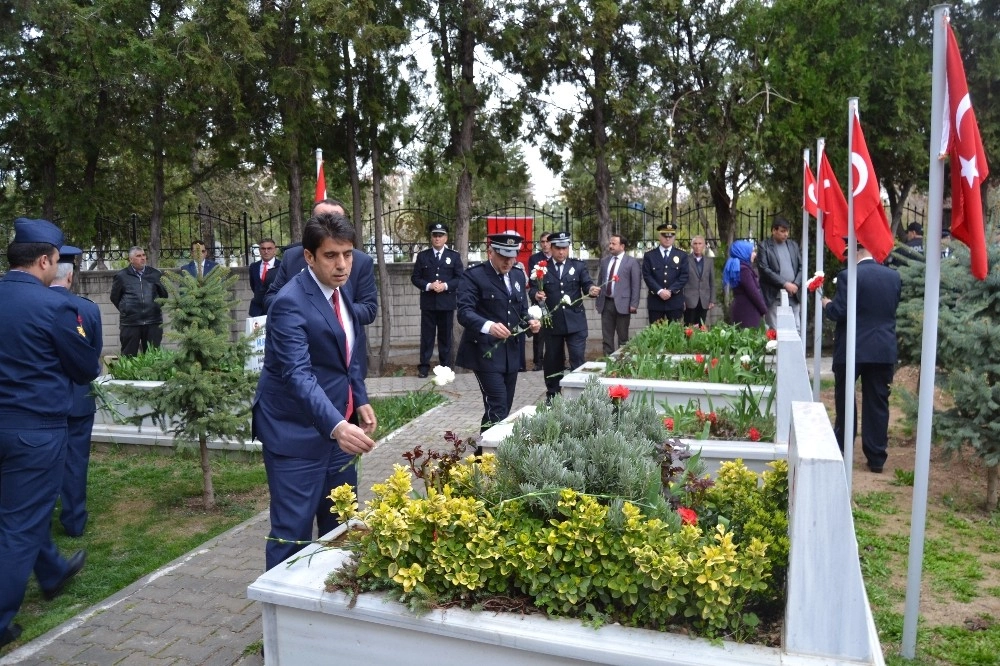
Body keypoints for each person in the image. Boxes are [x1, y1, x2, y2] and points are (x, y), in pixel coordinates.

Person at [253, 212, 378, 571]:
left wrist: (361, 398)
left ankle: (330, 601)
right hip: (295, 433)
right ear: (309, 257)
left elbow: (348, 354)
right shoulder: (289, 302)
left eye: (348, 254)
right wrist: (338, 426)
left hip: (337, 431)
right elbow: (297, 375)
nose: (342, 265)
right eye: (331, 255)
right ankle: (283, 615)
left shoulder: (342, 291)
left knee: (340, 525)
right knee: (292, 533)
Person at [0, 219, 100, 649]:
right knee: (20, 523)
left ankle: (52, 570)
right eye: (56, 260)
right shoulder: (54, 307)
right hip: (34, 431)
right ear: (45, 260)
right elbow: (84, 368)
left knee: (20, 510)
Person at [264, 199, 378, 376]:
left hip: (345, 365)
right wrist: (305, 310)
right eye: (323, 218)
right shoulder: (292, 257)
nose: (341, 265)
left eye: (335, 219)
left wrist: (333, 311)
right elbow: (272, 299)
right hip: (303, 364)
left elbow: (369, 309)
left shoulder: (361, 262)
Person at [822, 243, 902, 473]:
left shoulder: (849, 276)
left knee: (846, 399)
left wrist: (827, 304)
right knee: (877, 402)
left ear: (857, 252)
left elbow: (840, 312)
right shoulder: (893, 277)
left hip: (852, 348)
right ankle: (876, 457)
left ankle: (843, 446)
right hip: (882, 349)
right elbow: (891, 308)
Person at [456, 232, 541, 434]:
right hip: (484, 351)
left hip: (511, 352)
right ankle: (489, 454)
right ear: (490, 252)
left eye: (512, 256)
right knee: (497, 404)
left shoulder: (518, 275)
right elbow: (464, 312)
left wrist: (531, 323)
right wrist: (488, 326)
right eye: (503, 256)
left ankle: (486, 450)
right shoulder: (474, 276)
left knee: (505, 405)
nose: (508, 261)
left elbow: (520, 310)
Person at [49, 245, 103, 537]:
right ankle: (73, 520)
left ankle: (40, 520)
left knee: (41, 462)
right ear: (70, 277)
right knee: (76, 460)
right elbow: (93, 353)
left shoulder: (35, 305)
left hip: (44, 399)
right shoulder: (87, 308)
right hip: (78, 397)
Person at [530, 231, 599, 402]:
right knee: (553, 360)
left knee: (577, 358)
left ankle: (579, 396)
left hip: (575, 322)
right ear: (551, 248)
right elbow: (532, 289)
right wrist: (536, 295)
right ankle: (553, 394)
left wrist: (591, 290)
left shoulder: (578, 266)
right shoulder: (542, 268)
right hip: (553, 322)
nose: (561, 252)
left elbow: (587, 284)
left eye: (565, 248)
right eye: (558, 248)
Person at [411, 222, 464, 378]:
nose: (437, 238)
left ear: (446, 238)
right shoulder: (423, 256)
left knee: (445, 337)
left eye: (440, 235)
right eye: (435, 235)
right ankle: (424, 367)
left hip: (446, 303)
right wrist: (429, 285)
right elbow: (415, 278)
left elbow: (460, 278)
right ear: (431, 237)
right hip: (428, 303)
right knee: (427, 336)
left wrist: (446, 286)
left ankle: (445, 367)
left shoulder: (454, 256)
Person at [110, 246, 168, 356]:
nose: (142, 258)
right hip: (130, 323)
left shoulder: (155, 274)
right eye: (138, 256)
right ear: (131, 259)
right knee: (129, 357)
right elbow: (115, 297)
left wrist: (154, 307)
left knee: (153, 356)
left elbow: (164, 295)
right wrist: (127, 310)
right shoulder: (122, 276)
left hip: (153, 322)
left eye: (143, 255)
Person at [594, 234, 640, 356]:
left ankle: (623, 362)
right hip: (606, 303)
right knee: (607, 337)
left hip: (623, 305)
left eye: (614, 244)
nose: (610, 246)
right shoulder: (605, 261)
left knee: (623, 337)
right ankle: (608, 362)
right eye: (610, 243)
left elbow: (636, 285)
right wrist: (597, 299)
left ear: (622, 246)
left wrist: (634, 304)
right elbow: (600, 282)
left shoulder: (631, 262)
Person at [756, 217, 802, 330]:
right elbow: (764, 269)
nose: (786, 234)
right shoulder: (764, 246)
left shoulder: (793, 245)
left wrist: (796, 284)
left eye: (787, 231)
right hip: (773, 294)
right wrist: (785, 284)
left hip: (793, 294)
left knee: (796, 328)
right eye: (782, 231)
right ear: (774, 231)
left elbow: (802, 267)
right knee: (774, 330)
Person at [642, 222, 688, 324]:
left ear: (674, 237)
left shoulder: (682, 255)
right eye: (664, 235)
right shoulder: (650, 255)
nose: (668, 238)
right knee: (656, 334)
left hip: (675, 301)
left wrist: (670, 291)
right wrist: (659, 291)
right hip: (656, 301)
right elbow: (647, 275)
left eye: (671, 236)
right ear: (659, 236)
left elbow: (684, 276)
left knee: (675, 335)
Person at [723, 240, 768, 329]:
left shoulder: (739, 267)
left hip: (743, 309)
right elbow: (753, 292)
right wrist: (764, 310)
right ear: (743, 252)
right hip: (747, 311)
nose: (755, 254)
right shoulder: (744, 270)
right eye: (752, 251)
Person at [526, 233, 552, 371]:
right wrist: (537, 293)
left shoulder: (556, 258)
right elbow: (532, 281)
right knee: (539, 333)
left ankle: (557, 359)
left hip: (553, 300)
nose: (545, 244)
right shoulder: (534, 259)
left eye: (548, 241)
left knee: (555, 333)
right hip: (539, 299)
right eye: (542, 241)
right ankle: (538, 362)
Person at [684, 235, 716, 326]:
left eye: (700, 243)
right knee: (688, 326)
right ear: (691, 245)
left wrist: (712, 299)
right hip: (689, 300)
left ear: (704, 245)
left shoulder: (709, 261)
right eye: (695, 243)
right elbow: (682, 280)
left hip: (704, 299)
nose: (697, 246)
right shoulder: (686, 260)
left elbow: (712, 281)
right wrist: (682, 299)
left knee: (702, 326)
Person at [248, 238, 280, 317]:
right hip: (257, 310)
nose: (266, 251)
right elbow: (253, 286)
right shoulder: (253, 267)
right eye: (263, 248)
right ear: (259, 250)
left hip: (275, 309)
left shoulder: (281, 266)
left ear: (274, 250)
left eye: (269, 248)